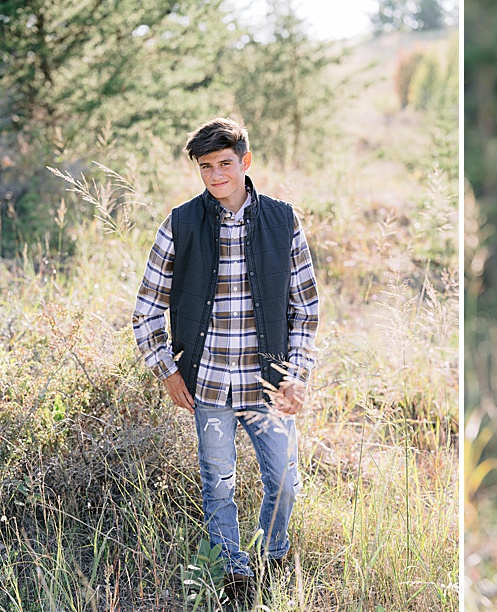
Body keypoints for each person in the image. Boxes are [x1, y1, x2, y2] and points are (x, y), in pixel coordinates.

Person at [132, 117, 320, 599]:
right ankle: (234, 573)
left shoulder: (283, 220)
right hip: (209, 383)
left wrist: (296, 375)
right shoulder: (180, 222)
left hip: (269, 385)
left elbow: (306, 307)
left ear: (245, 162)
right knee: (219, 484)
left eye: (224, 164)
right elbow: (147, 308)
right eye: (205, 167)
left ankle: (271, 557)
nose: (216, 176)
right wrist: (167, 371)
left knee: (283, 483)